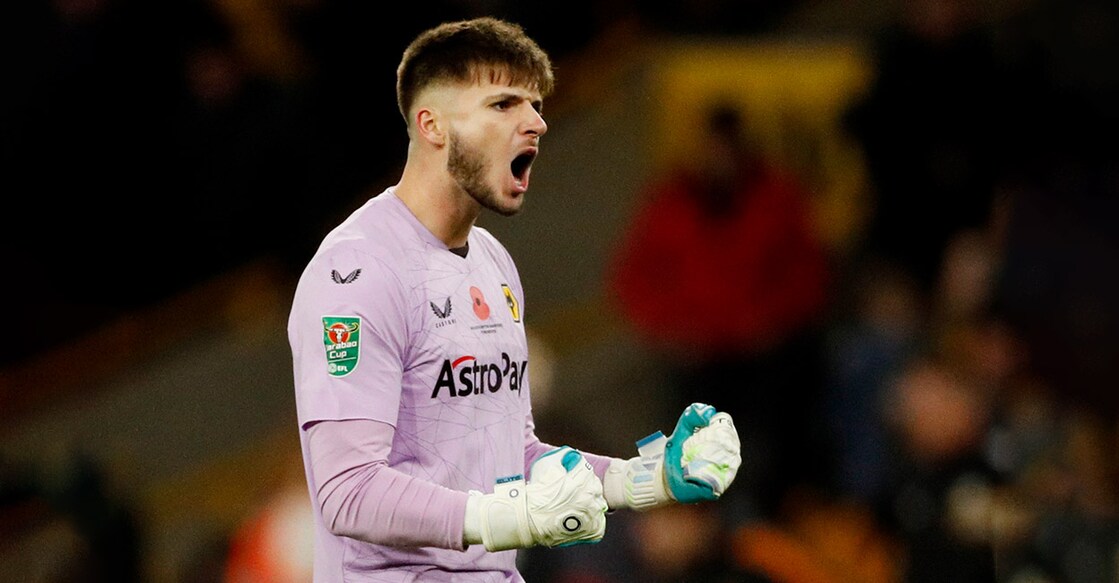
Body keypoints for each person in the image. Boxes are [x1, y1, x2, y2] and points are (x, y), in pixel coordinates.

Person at [286, 17, 743, 582]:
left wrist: (647, 479)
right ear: (432, 125)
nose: (535, 124)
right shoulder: (355, 273)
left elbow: (511, 454)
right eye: (504, 105)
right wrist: (506, 518)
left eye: (536, 106)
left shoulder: (493, 263)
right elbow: (347, 492)